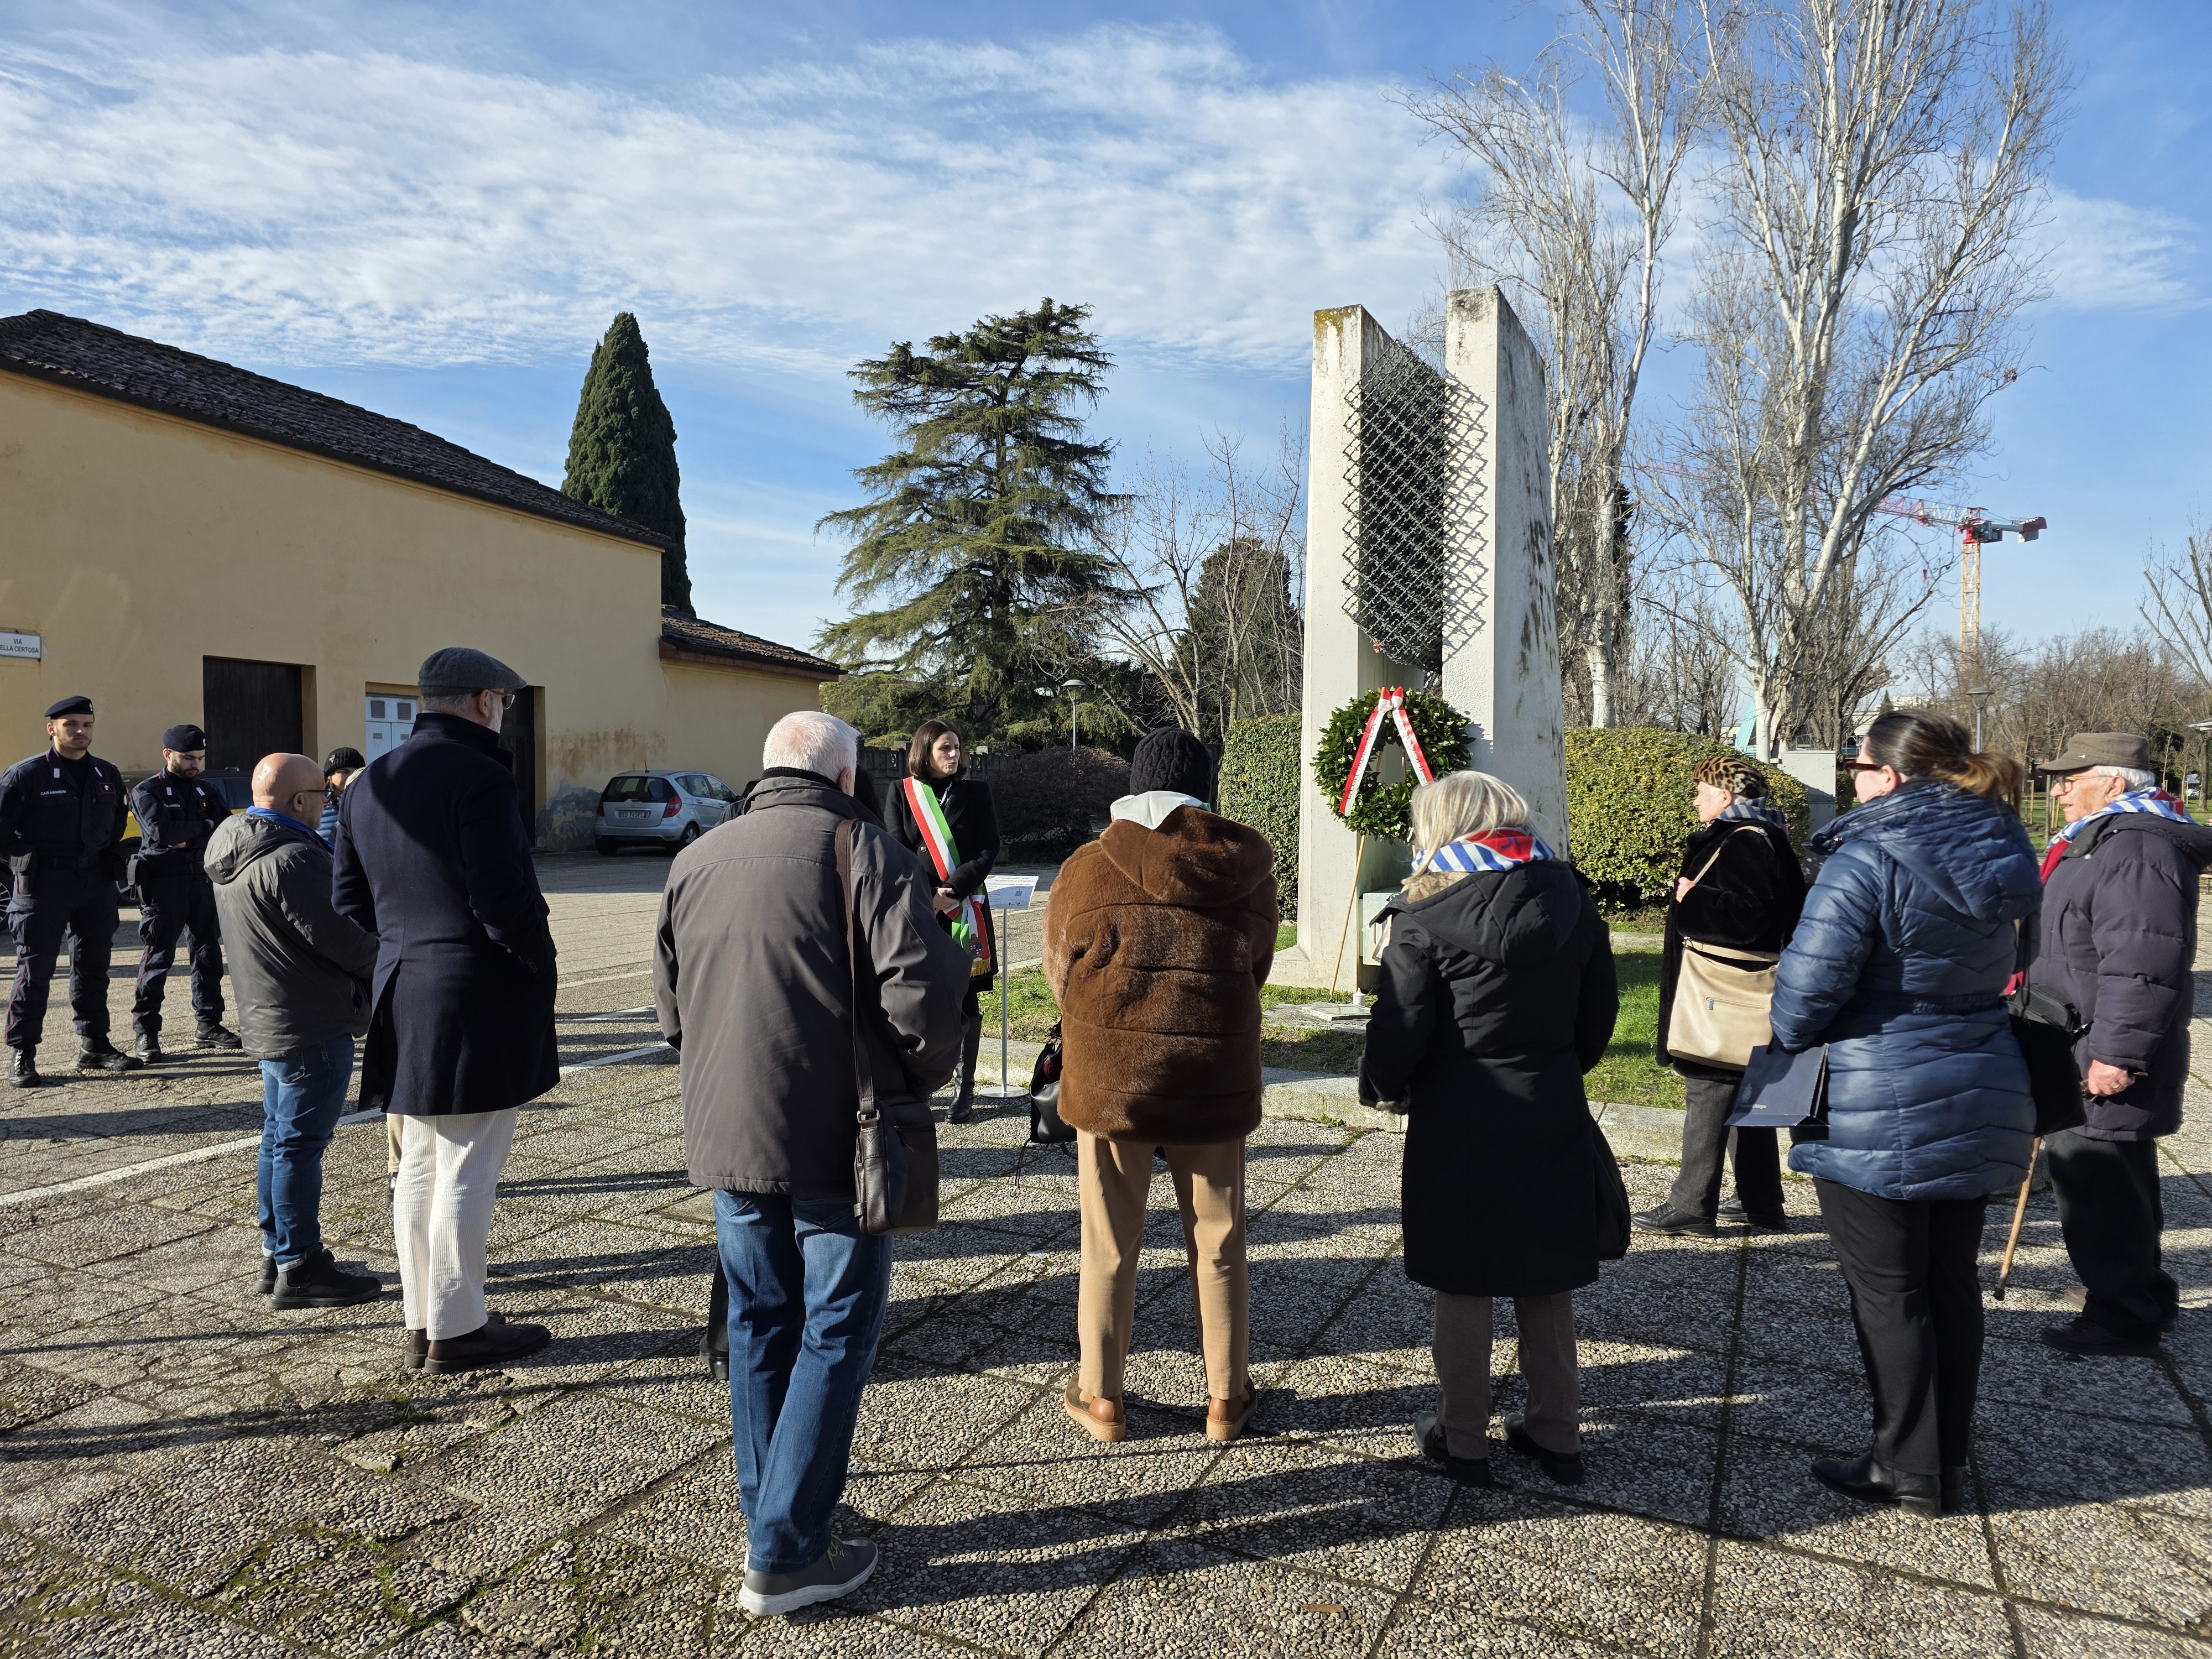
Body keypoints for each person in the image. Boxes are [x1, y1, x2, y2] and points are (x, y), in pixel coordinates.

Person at [655, 709, 967, 1617]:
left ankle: (775, 1511)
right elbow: (923, 1002)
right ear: (842, 777)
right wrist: (912, 1082)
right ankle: (787, 1551)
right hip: (840, 1135)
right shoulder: (863, 850)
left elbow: (672, 1012)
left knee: (758, 1325)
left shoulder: (695, 859)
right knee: (835, 1330)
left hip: (729, 1137)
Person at [1770, 710, 2038, 1517]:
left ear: (1888, 776)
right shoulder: (2003, 846)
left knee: (1890, 1292)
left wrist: (1790, 1036)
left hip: (1870, 1091)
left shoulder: (1867, 860)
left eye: (1857, 765)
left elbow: (1801, 1002)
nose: (1851, 778)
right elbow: (2017, 965)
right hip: (1981, 1075)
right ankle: (1942, 1455)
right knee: (1948, 1282)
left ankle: (1908, 1469)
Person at [1359, 771, 1619, 1488]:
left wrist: (1388, 1088)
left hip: (1458, 1114)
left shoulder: (1423, 912)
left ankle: (1463, 1438)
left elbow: (1400, 1025)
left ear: (1441, 826)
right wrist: (1559, 1070)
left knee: (1464, 1283)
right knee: (1547, 1278)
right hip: (1550, 1106)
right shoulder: (1570, 897)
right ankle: (1556, 1432)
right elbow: (1598, 1016)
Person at [1044, 727, 1279, 1447]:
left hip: (1115, 1082)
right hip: (1212, 1077)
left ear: (1136, 784)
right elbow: (1258, 965)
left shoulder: (1088, 867)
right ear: (1204, 787)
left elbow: (1059, 971)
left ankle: (1102, 1399)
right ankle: (1226, 1400)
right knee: (1220, 1240)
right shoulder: (1246, 869)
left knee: (1108, 1242)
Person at [334, 648, 557, 1375]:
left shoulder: (367, 784)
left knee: (421, 1165)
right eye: (505, 704)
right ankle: (458, 1329)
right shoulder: (483, 777)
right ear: (486, 701)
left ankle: (422, 1318)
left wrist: (406, 945)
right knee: (467, 1162)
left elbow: (349, 904)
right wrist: (537, 964)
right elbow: (504, 900)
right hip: (473, 992)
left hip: (403, 990)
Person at [2025, 732, 2212, 1357]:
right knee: (2117, 1181)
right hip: (2076, 1036)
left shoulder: (2132, 848)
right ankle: (2136, 1293)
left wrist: (2117, 1054)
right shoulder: (2102, 840)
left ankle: (2121, 1317)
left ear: (2112, 782)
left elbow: (2142, 963)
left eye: (2068, 778)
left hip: (2097, 1045)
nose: (2057, 790)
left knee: (2098, 1182)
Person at [206, 753, 382, 1309]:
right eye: (322, 798)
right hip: (310, 1019)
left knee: (278, 1139)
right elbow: (345, 941)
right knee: (299, 1146)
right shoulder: (292, 859)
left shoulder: (235, 847)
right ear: (300, 802)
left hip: (272, 1015)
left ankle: (276, 1251)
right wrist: (395, 962)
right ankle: (301, 1265)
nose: (326, 807)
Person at [1637, 754, 1806, 1237]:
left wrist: (1694, 899)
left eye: (1701, 792)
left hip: (1724, 993)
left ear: (1725, 797)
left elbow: (1751, 919)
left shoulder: (1744, 843)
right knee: (1744, 1093)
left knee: (1710, 1090)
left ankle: (1691, 1205)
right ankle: (1761, 1203)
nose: (1696, 800)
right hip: (1747, 992)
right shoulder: (1768, 837)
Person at [2, 696, 137, 1086]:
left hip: (94, 884)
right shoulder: (26, 775)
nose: (81, 732)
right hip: (44, 884)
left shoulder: (107, 774)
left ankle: (94, 1044)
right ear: (52, 729)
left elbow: (116, 824)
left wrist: (111, 859)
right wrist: (22, 860)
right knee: (35, 969)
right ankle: (23, 1053)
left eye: (87, 725)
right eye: (71, 725)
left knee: (93, 966)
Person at [881, 720, 999, 1122]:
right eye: (945, 749)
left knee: (966, 998)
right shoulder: (901, 793)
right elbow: (896, 849)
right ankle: (924, 1082)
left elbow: (987, 848)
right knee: (920, 997)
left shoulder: (976, 792)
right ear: (925, 753)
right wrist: (926, 898)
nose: (954, 755)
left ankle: (965, 1090)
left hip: (964, 910)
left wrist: (950, 892)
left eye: (957, 747)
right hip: (920, 911)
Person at [128, 722, 239, 1063]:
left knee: (208, 955)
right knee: (158, 957)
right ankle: (146, 1033)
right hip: (164, 884)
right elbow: (163, 834)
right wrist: (203, 829)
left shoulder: (204, 792)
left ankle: (208, 1024)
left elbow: (227, 829)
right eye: (189, 758)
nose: (195, 765)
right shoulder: (148, 791)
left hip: (202, 882)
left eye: (201, 758)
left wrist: (194, 834)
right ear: (168, 754)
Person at [320, 747, 366, 842]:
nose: (352, 776)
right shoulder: (316, 803)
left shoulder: (369, 803)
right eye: (344, 772)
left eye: (356, 772)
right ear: (330, 776)